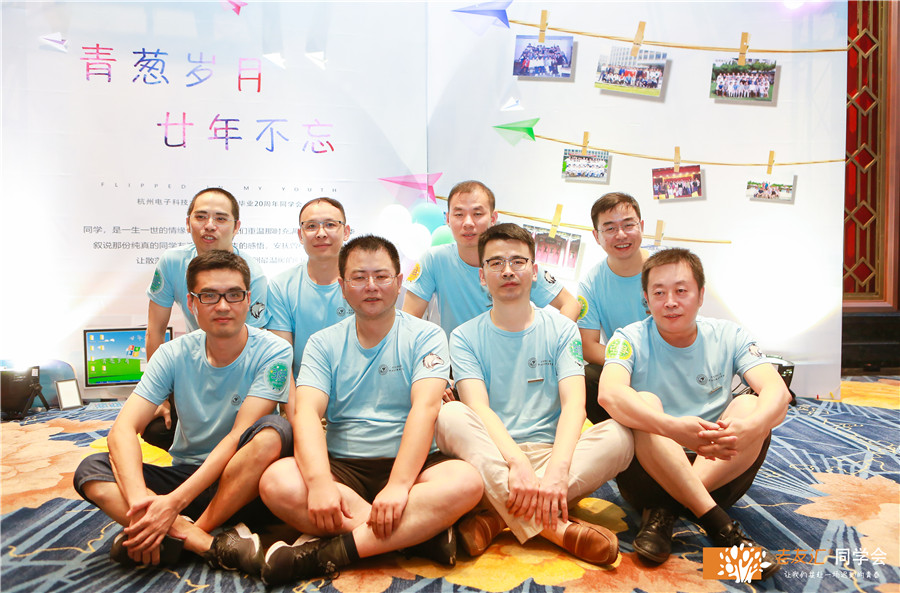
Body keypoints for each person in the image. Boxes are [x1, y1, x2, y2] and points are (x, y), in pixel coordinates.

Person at [257, 235, 483, 586]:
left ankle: (330, 553)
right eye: (359, 277)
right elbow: (306, 413)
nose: (371, 286)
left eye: (381, 276)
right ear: (342, 286)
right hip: (344, 468)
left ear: (399, 281)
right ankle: (419, 536)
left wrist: (399, 485)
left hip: (415, 466)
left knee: (467, 482)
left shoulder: (427, 335)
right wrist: (319, 484)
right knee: (275, 481)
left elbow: (425, 409)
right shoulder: (323, 342)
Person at [73, 250, 293, 574]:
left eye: (234, 295)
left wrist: (173, 504)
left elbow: (237, 436)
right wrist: (141, 502)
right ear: (192, 303)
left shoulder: (274, 351)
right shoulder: (171, 354)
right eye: (209, 295)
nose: (223, 306)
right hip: (187, 473)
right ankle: (199, 542)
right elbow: (122, 430)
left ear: (248, 300)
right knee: (93, 469)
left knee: (274, 432)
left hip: (243, 482)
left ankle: (181, 533)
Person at [434, 223, 634, 565]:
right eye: (496, 263)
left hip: (552, 455)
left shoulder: (563, 329)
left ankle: (497, 515)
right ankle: (556, 529)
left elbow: (575, 405)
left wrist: (557, 469)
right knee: (449, 415)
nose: (507, 271)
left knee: (621, 435)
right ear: (482, 276)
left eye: (518, 261)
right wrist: (516, 463)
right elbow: (478, 407)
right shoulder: (464, 337)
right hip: (494, 456)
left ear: (535, 271)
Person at [597, 248, 790, 579]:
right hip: (649, 475)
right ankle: (720, 527)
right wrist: (672, 428)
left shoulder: (730, 335)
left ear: (701, 295)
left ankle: (666, 512)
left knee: (751, 406)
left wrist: (752, 427)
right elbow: (609, 393)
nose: (670, 302)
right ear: (646, 299)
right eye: (659, 293)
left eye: (681, 291)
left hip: (718, 467)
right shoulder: (627, 338)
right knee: (643, 402)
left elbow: (777, 391)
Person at [143, 187, 270, 448]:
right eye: (201, 217)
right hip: (195, 369)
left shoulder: (252, 275)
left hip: (238, 378)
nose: (209, 226)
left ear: (236, 227)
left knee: (249, 436)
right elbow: (155, 330)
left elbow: (253, 344)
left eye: (220, 218)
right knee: (155, 428)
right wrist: (160, 397)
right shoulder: (172, 262)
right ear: (188, 222)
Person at [402, 180, 580, 337]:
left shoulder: (516, 264)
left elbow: (571, 304)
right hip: (457, 360)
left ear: (493, 218)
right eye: (459, 214)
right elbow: (409, 319)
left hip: (509, 357)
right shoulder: (434, 259)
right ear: (447, 219)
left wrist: (552, 342)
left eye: (477, 214)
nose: (468, 223)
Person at [266, 197, 354, 414]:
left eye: (330, 224)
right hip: (303, 400)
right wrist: (298, 417)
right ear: (300, 235)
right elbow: (282, 362)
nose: (321, 233)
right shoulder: (281, 286)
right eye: (311, 226)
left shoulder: (363, 283)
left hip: (356, 400)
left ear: (346, 232)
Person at [576, 193, 650, 423]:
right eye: (609, 228)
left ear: (641, 226)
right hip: (623, 367)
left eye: (628, 225)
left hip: (671, 365)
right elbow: (588, 346)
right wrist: (628, 361)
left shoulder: (668, 267)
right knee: (585, 378)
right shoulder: (591, 282)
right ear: (596, 236)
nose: (621, 235)